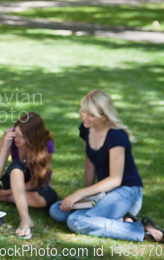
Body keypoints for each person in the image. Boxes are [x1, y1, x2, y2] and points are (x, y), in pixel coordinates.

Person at [49, 90, 163, 243]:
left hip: (127, 191)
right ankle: (123, 219)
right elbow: (89, 164)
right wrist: (85, 197)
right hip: (104, 191)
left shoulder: (116, 136)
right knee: (57, 210)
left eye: (91, 114)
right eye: (83, 111)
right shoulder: (86, 128)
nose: (84, 117)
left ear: (104, 116)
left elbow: (115, 180)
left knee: (76, 221)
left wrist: (79, 193)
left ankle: (141, 230)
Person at [0, 112, 57, 239]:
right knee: (16, 166)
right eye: (16, 133)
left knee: (49, 198)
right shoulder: (11, 137)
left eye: (22, 137)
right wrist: (4, 148)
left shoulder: (46, 145)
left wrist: (5, 193)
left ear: (33, 137)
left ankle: (3, 195)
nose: (17, 139)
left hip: (34, 182)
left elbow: (37, 181)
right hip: (14, 178)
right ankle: (25, 219)